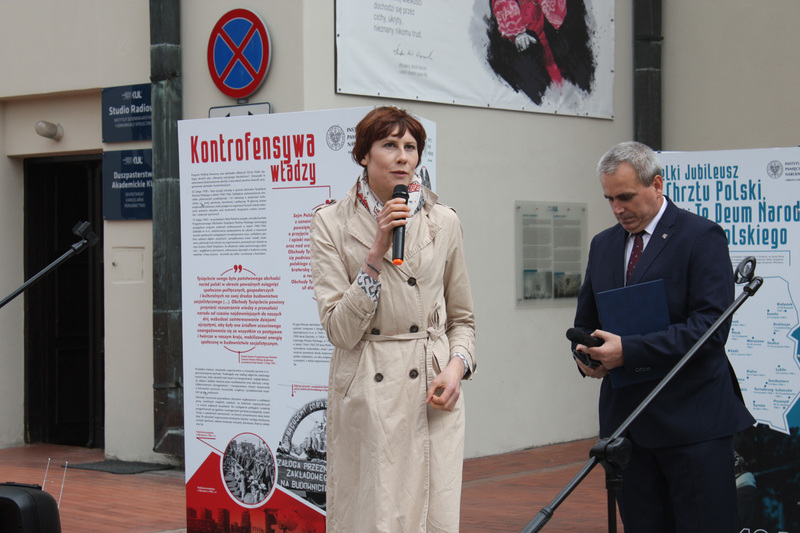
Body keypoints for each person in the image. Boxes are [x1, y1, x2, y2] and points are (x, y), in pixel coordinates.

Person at [572, 141, 755, 532]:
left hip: (692, 424)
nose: (618, 208)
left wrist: (629, 351)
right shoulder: (603, 245)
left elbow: (711, 328)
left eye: (626, 196)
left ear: (656, 184)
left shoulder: (700, 236)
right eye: (609, 199)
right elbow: (587, 319)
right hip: (628, 426)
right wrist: (587, 354)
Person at [310, 106, 476, 533]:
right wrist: (376, 253)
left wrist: (456, 369)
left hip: (431, 393)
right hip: (368, 389)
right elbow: (339, 330)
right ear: (364, 155)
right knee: (374, 517)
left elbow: (463, 320)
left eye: (411, 146)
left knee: (432, 518)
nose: (403, 156)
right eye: (389, 145)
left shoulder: (445, 221)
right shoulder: (330, 222)